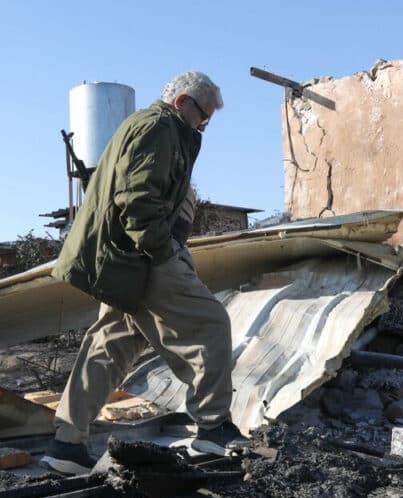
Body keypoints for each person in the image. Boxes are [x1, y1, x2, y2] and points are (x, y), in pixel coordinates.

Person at [41, 72, 250, 475]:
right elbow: (136, 200)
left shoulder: (146, 126)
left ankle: (66, 444)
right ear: (181, 102)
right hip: (141, 254)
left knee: (111, 343)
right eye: (202, 116)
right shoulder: (160, 127)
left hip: (120, 259)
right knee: (209, 323)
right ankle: (212, 426)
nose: (202, 126)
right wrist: (167, 251)